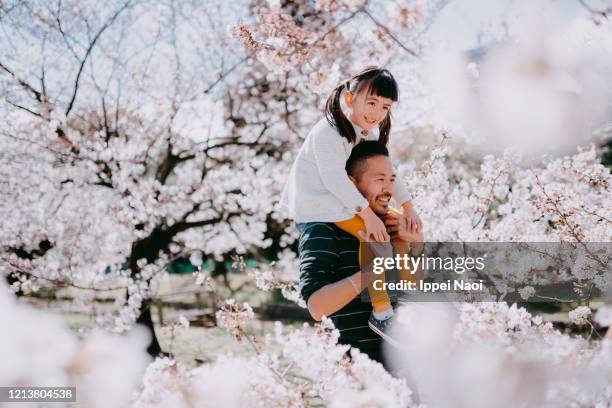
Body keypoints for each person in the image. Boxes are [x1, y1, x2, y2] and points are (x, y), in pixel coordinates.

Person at [279, 66, 423, 339]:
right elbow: (334, 179)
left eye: (385, 107)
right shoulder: (328, 132)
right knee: (377, 240)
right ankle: (382, 313)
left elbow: (391, 173)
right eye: (371, 103)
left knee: (396, 226)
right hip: (321, 207)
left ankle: (407, 300)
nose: (377, 113)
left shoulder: (366, 134)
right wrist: (368, 215)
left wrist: (408, 207)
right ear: (349, 99)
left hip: (345, 203)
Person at [298, 141, 424, 367]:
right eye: (379, 180)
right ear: (350, 184)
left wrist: (416, 244)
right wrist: (374, 269)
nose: (388, 189)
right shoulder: (323, 228)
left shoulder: (392, 224)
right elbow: (316, 307)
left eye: (392, 180)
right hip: (355, 368)